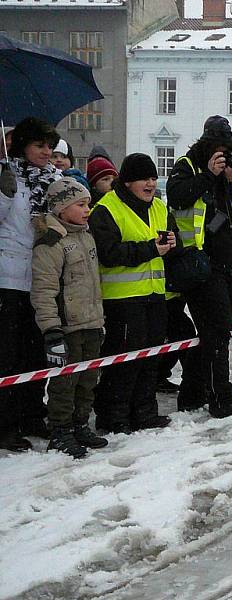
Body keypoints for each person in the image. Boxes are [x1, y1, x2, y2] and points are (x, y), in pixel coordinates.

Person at [166, 115, 232, 418]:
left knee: (218, 331)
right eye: (216, 146)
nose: (222, 152)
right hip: (199, 264)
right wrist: (207, 174)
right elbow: (177, 197)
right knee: (216, 331)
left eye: (227, 147)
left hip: (230, 262)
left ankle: (194, 392)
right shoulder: (188, 165)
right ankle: (221, 396)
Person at [89, 153, 177, 433]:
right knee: (124, 360)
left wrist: (174, 242)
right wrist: (150, 248)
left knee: (151, 358)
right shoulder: (106, 209)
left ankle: (144, 411)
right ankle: (113, 416)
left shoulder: (160, 207)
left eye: (153, 178)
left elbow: (172, 240)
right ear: (127, 182)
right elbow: (109, 253)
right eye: (144, 179)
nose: (151, 184)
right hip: (122, 299)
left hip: (154, 294)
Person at [30, 178, 106, 457]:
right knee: (65, 383)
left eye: (88, 203)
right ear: (61, 208)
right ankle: (60, 430)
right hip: (67, 327)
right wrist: (51, 329)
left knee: (88, 379)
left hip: (91, 322)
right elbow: (44, 289)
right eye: (81, 204)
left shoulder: (86, 236)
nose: (88, 209)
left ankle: (80, 424)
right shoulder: (51, 242)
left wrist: (100, 319)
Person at [0, 117, 61, 451]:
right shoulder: (7, 174)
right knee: (8, 355)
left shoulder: (53, 179)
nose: (46, 152)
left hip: (40, 276)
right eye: (39, 145)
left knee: (35, 353)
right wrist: (4, 193)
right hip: (8, 276)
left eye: (49, 146)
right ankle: (5, 422)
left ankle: (32, 413)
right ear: (23, 145)